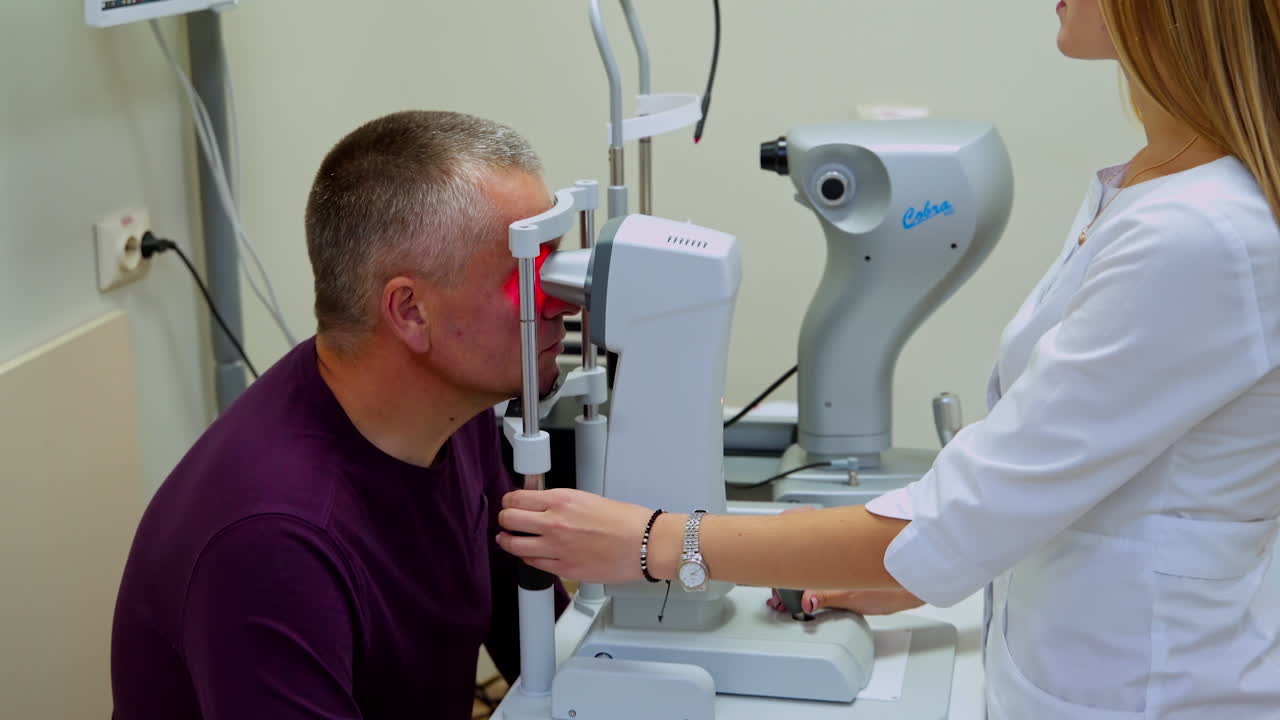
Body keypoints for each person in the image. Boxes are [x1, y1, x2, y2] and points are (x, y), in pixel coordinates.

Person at [496, 2, 1280, 717]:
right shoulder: (1150, 182)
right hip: (1068, 651)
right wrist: (914, 572)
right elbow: (1080, 473)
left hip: (1148, 688)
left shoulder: (1199, 235)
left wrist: (655, 542)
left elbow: (984, 498)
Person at [111, 110, 579, 720]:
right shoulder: (274, 543)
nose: (563, 301)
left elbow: (543, 659)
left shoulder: (453, 416)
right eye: (527, 272)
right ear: (409, 311)